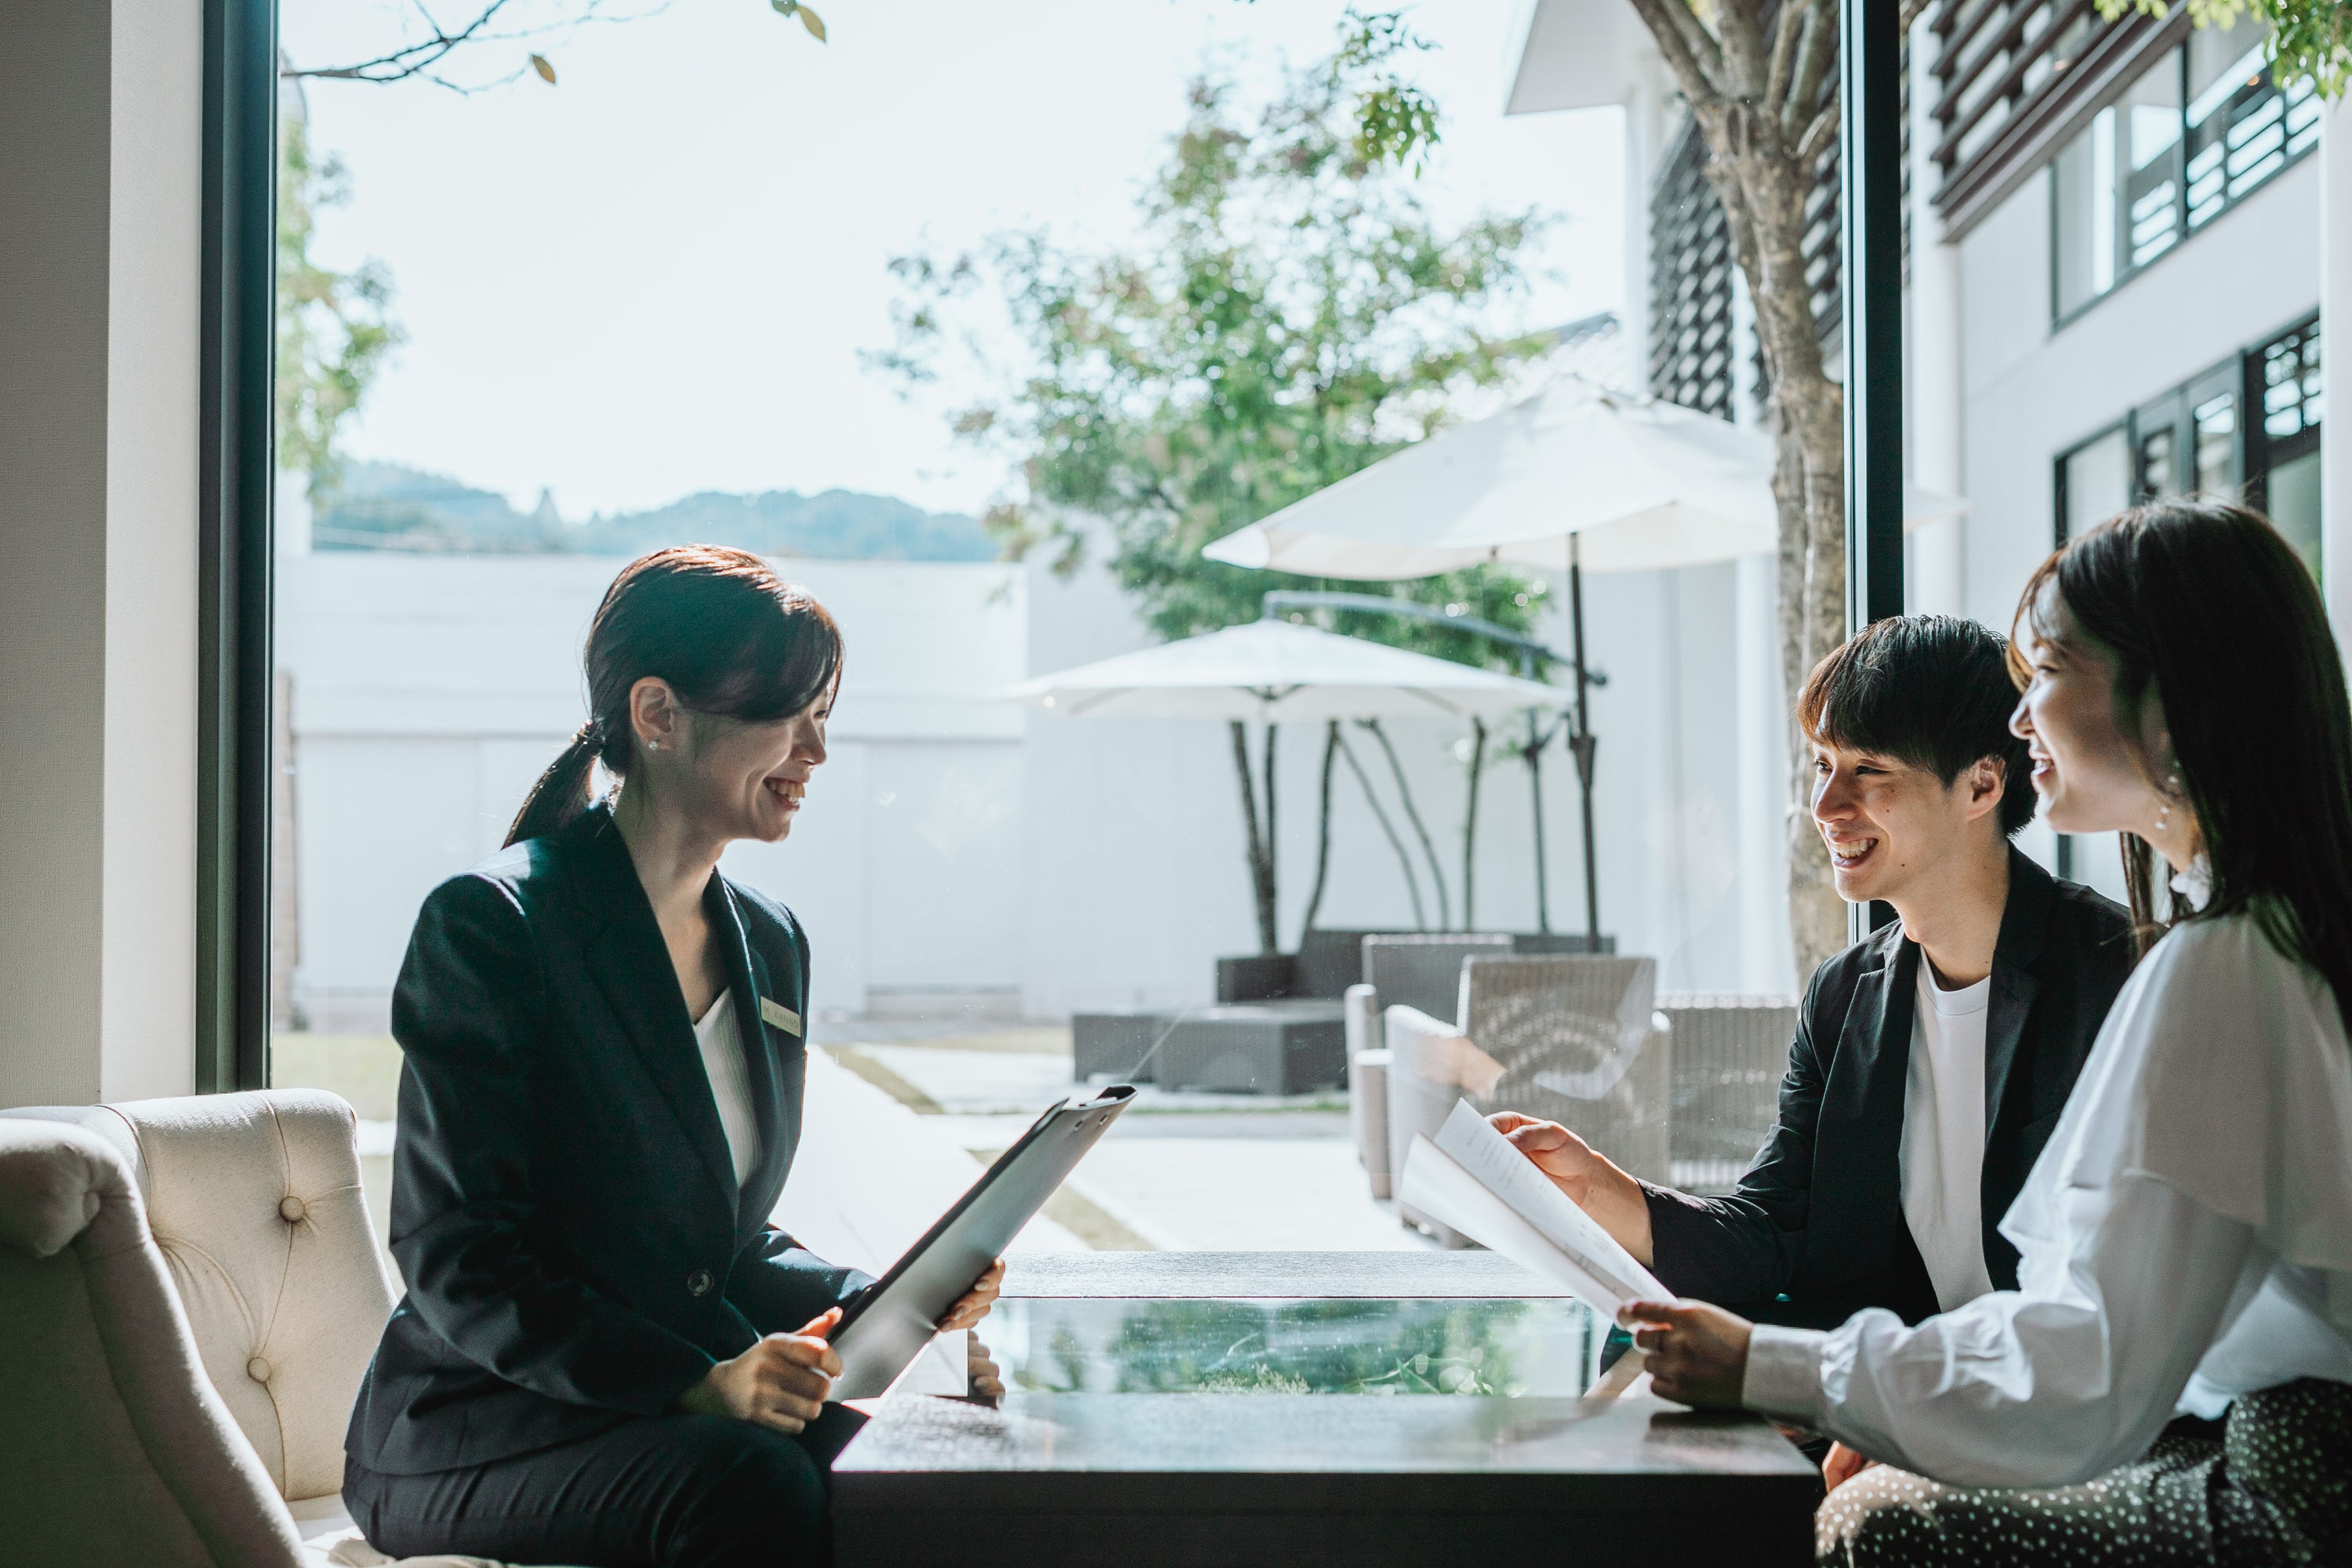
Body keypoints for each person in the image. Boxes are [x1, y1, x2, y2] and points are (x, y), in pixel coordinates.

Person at [1625, 500, 2352, 1566]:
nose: (2021, 719)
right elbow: (1791, 1225)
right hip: (2264, 1445)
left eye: (2047, 670)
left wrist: (1786, 1370)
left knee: (1881, 1525)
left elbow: (2092, 1364)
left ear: (2170, 703)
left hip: (2291, 1486)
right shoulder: (2274, 939)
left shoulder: (2208, 968)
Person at [343, 546, 1003, 1568]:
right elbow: (461, 1259)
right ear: (657, 714)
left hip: (664, 1404)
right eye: (790, 712)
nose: (818, 749)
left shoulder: (770, 942)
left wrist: (894, 1303)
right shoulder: (494, 925)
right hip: (477, 1424)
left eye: (824, 713)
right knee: (756, 1482)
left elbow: (720, 1248)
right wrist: (698, 1381)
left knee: (931, 1464)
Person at [1496, 615, 2134, 1337]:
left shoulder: (2118, 973)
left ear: (1982, 784)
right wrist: (1595, 1190)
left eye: (1869, 770)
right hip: (1910, 1378)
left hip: (2070, 1381)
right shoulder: (1842, 995)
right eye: (1823, 766)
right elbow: (1773, 1230)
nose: (1827, 806)